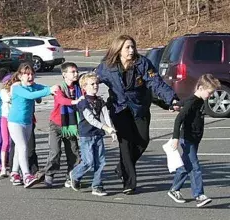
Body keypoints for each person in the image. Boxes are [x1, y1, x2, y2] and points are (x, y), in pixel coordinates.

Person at [95, 35, 179, 194]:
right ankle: (129, 183)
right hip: (119, 108)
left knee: (142, 140)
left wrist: (172, 99)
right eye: (127, 47)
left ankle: (122, 167)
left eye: (133, 47)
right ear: (118, 49)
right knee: (125, 145)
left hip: (139, 106)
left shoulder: (142, 63)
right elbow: (92, 79)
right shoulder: (107, 66)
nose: (132, 50)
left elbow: (156, 83)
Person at [167, 74, 220, 208]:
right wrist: (175, 138)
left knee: (186, 166)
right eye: (210, 92)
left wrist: (176, 105)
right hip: (187, 138)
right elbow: (179, 119)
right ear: (201, 88)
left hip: (194, 138)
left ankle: (174, 190)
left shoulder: (197, 100)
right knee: (195, 167)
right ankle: (199, 195)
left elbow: (184, 102)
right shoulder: (193, 101)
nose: (211, 95)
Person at [7, 62, 59, 188]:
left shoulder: (33, 85)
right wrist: (49, 91)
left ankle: (14, 173)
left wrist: (53, 88)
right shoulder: (17, 87)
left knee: (21, 149)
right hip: (15, 122)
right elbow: (30, 95)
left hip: (28, 122)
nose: (30, 77)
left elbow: (42, 88)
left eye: (31, 74)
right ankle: (26, 175)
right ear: (20, 76)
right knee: (23, 146)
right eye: (26, 74)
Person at [69, 73, 117, 196]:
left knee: (100, 161)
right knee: (88, 161)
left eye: (96, 83)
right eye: (92, 84)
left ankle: (97, 186)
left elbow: (105, 115)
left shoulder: (100, 100)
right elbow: (90, 119)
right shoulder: (83, 102)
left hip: (98, 134)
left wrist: (111, 129)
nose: (95, 86)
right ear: (84, 87)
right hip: (86, 135)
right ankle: (75, 175)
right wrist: (105, 127)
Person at [39, 62, 82, 187]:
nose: (76, 74)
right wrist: (75, 102)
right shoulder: (59, 88)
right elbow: (61, 100)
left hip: (70, 124)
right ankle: (49, 173)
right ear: (64, 75)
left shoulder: (79, 88)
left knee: (73, 151)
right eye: (72, 72)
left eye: (76, 71)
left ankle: (72, 175)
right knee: (55, 151)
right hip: (56, 124)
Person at [0, 68, 11, 172]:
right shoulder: (1, 92)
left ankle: (7, 160)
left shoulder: (14, 90)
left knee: (9, 141)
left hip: (10, 117)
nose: (9, 83)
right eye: (7, 81)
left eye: (10, 80)